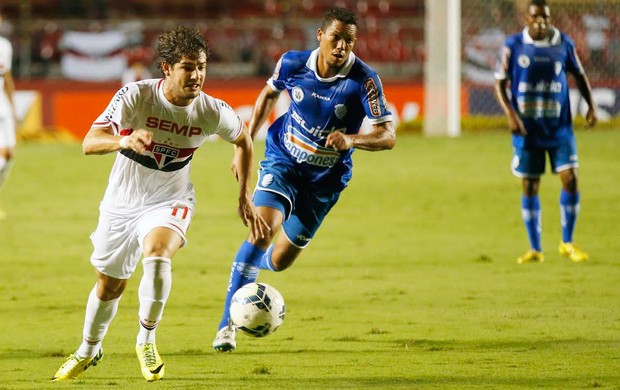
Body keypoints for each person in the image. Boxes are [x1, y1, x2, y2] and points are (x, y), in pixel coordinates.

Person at [51, 26, 267, 382]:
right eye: (187, 67)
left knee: (157, 255)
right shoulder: (136, 96)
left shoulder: (212, 110)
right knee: (109, 286)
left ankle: (146, 339)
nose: (196, 75)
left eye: (201, 66)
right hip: (122, 200)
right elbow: (90, 142)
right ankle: (89, 349)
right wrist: (124, 140)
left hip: (171, 198)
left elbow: (243, 141)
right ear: (167, 68)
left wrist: (244, 193)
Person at [212, 6, 396, 352]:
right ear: (321, 36)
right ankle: (226, 326)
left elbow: (388, 136)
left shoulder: (365, 80)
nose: (342, 46)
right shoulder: (293, 63)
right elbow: (268, 94)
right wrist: (246, 141)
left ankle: (249, 267)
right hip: (284, 161)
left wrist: (352, 140)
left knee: (279, 261)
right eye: (336, 37)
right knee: (262, 229)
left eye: (349, 41)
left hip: (324, 181)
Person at [493, 0, 597, 264]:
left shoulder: (564, 43)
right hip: (527, 130)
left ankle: (567, 242)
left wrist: (591, 106)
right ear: (526, 20)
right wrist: (511, 115)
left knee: (570, 178)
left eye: (545, 17)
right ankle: (535, 249)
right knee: (529, 185)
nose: (541, 22)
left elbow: (580, 76)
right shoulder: (513, 46)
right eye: (536, 17)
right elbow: (499, 83)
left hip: (559, 128)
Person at [0, 12, 16, 220]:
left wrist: (12, 106)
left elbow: (7, 77)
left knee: (9, 154)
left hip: (2, 105)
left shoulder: (4, 46)